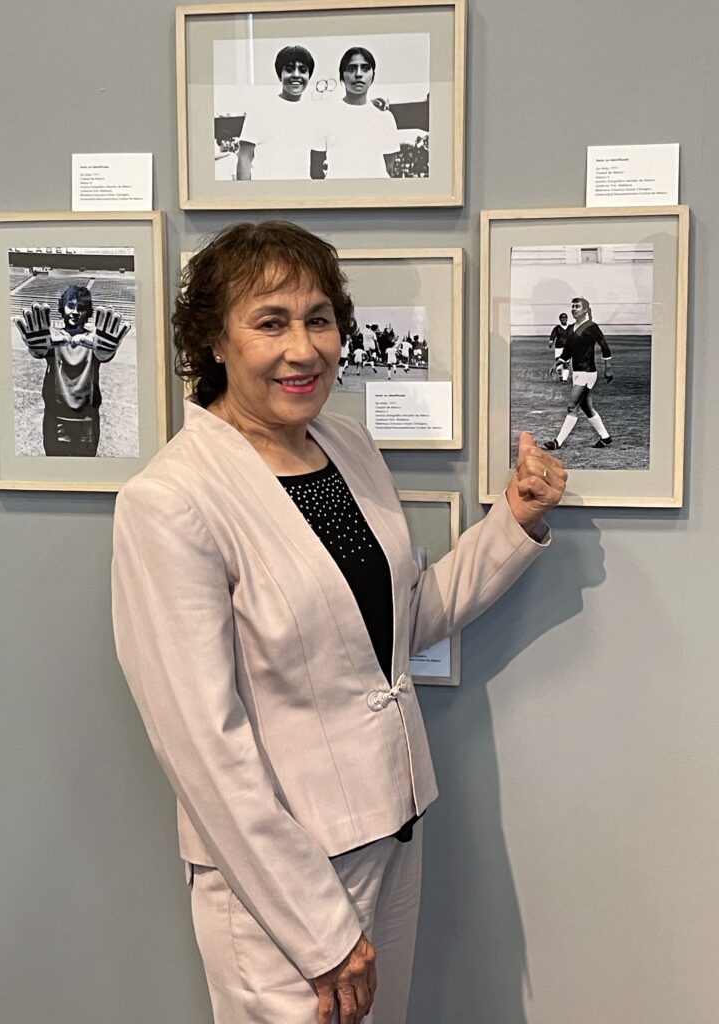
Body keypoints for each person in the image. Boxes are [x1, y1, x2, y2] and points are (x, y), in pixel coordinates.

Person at [111, 221, 566, 1024]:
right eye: (271, 321)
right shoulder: (171, 501)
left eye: (319, 319)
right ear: (214, 340)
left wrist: (511, 524)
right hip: (283, 885)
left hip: (393, 830)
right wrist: (319, 930)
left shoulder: (347, 448)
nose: (304, 348)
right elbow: (202, 747)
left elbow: (401, 619)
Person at [13, 286, 130, 457]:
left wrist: (107, 353)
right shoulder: (52, 339)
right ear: (62, 308)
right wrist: (35, 349)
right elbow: (40, 351)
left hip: (87, 421)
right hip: (55, 419)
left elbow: (103, 355)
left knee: (85, 474)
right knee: (55, 472)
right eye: (71, 305)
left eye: (81, 308)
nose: (75, 312)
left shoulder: (96, 341)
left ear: (88, 312)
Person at [311, 47, 401, 179]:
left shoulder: (384, 117)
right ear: (342, 75)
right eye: (351, 69)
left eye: (365, 68)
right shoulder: (325, 116)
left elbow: (389, 169)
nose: (359, 74)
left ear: (373, 76)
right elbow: (315, 170)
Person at [237, 45, 319, 181]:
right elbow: (244, 158)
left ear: (309, 75)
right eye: (289, 70)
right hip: (266, 193)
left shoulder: (313, 111)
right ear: (279, 75)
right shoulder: (261, 109)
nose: (296, 75)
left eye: (303, 70)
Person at [543, 296, 613, 451]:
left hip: (588, 373)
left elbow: (605, 347)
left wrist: (609, 368)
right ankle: (606, 438)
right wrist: (559, 363)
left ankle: (558, 442)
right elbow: (569, 350)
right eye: (572, 306)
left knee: (572, 407)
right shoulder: (571, 328)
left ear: (586, 310)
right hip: (577, 372)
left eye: (577, 306)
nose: (574, 309)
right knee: (587, 408)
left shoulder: (592, 327)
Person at [548, 311, 570, 381]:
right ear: (560, 319)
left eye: (565, 317)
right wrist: (551, 341)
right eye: (562, 318)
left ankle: (565, 379)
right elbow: (553, 335)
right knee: (559, 363)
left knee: (566, 364)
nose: (564, 319)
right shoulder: (557, 328)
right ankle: (560, 376)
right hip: (558, 348)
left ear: (567, 319)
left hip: (567, 348)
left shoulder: (570, 328)